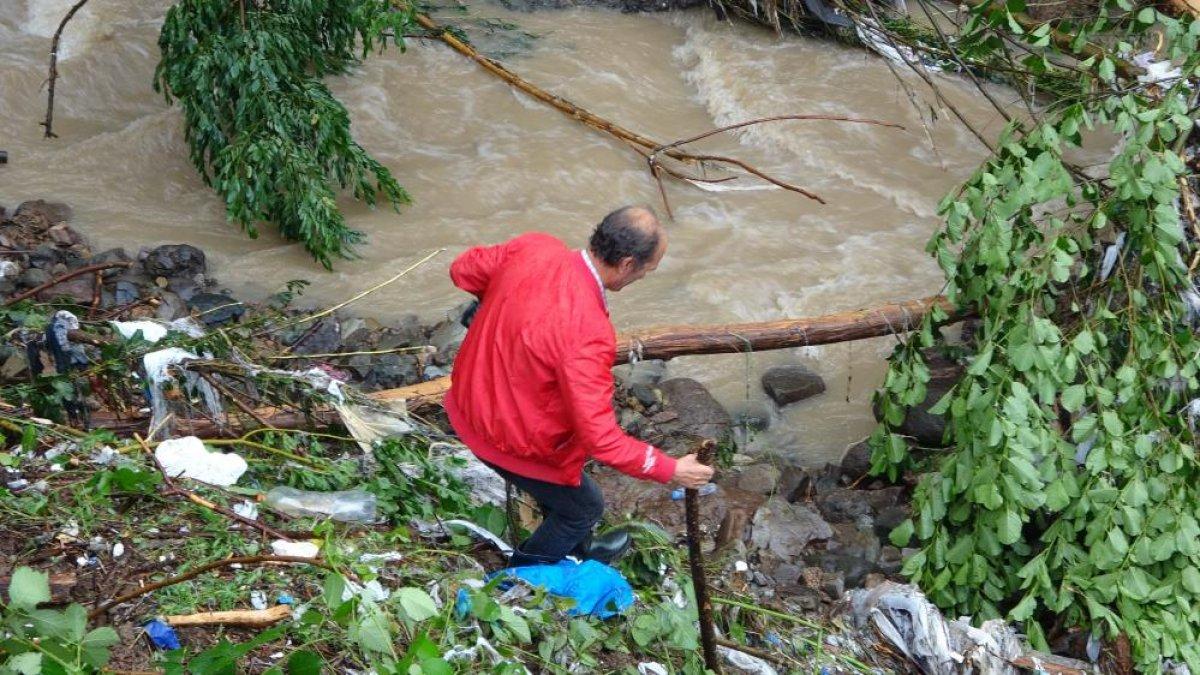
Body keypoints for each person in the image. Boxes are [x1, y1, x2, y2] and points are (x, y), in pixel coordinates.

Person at [445, 205, 715, 567]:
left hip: (468, 399)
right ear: (626, 265)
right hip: (502, 438)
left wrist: (495, 299)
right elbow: (600, 440)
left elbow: (462, 268)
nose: (645, 277)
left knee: (566, 490)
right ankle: (520, 576)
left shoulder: (535, 247)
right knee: (584, 506)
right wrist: (670, 469)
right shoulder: (587, 332)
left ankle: (575, 548)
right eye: (648, 271)